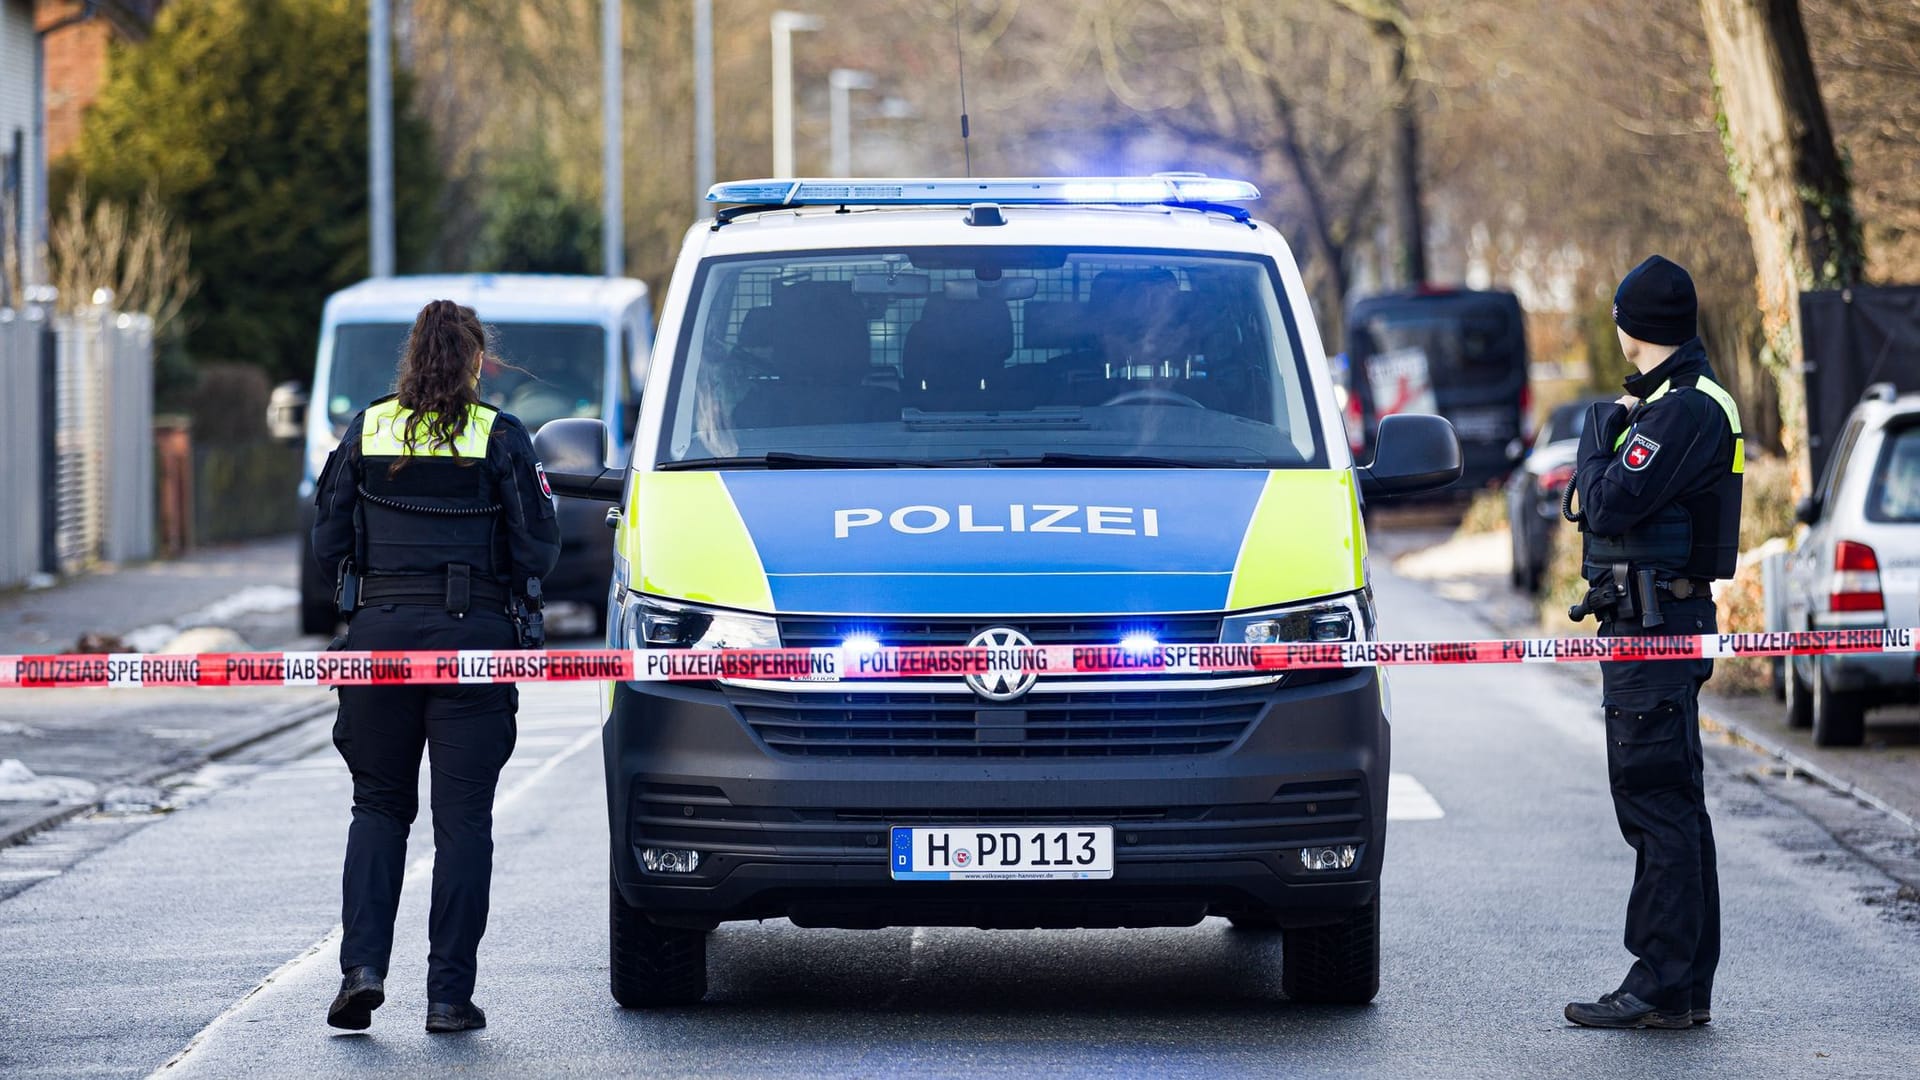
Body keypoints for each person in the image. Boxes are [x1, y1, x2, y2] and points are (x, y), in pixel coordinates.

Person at [312, 299, 561, 1033]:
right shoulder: (501, 436)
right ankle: (449, 997)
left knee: (378, 808)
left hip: (380, 644)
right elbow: (538, 550)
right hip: (472, 649)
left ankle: (361, 970)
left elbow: (327, 543)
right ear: (478, 362)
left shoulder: (368, 428)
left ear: (410, 360)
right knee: (462, 826)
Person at [1562, 255, 1744, 1030]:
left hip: (1654, 630)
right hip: (1656, 623)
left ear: (1633, 326)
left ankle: (1659, 980)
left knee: (1655, 801)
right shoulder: (1676, 402)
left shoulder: (1681, 411)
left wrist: (1592, 439)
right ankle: (1686, 985)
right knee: (1676, 803)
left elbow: (1606, 503)